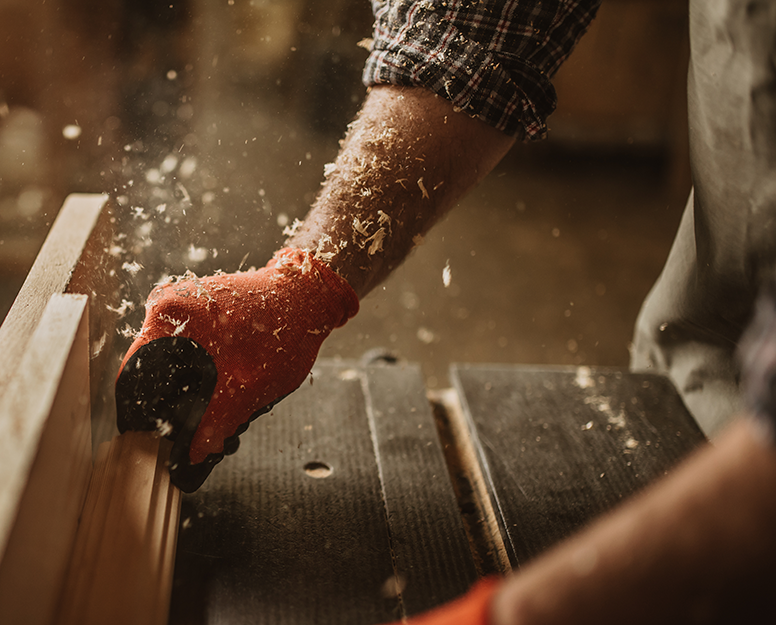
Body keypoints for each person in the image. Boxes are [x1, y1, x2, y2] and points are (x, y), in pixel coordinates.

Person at [116, 0, 776, 621]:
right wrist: (305, 285)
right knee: (659, 435)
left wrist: (515, 614)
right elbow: (484, 20)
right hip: (717, 328)